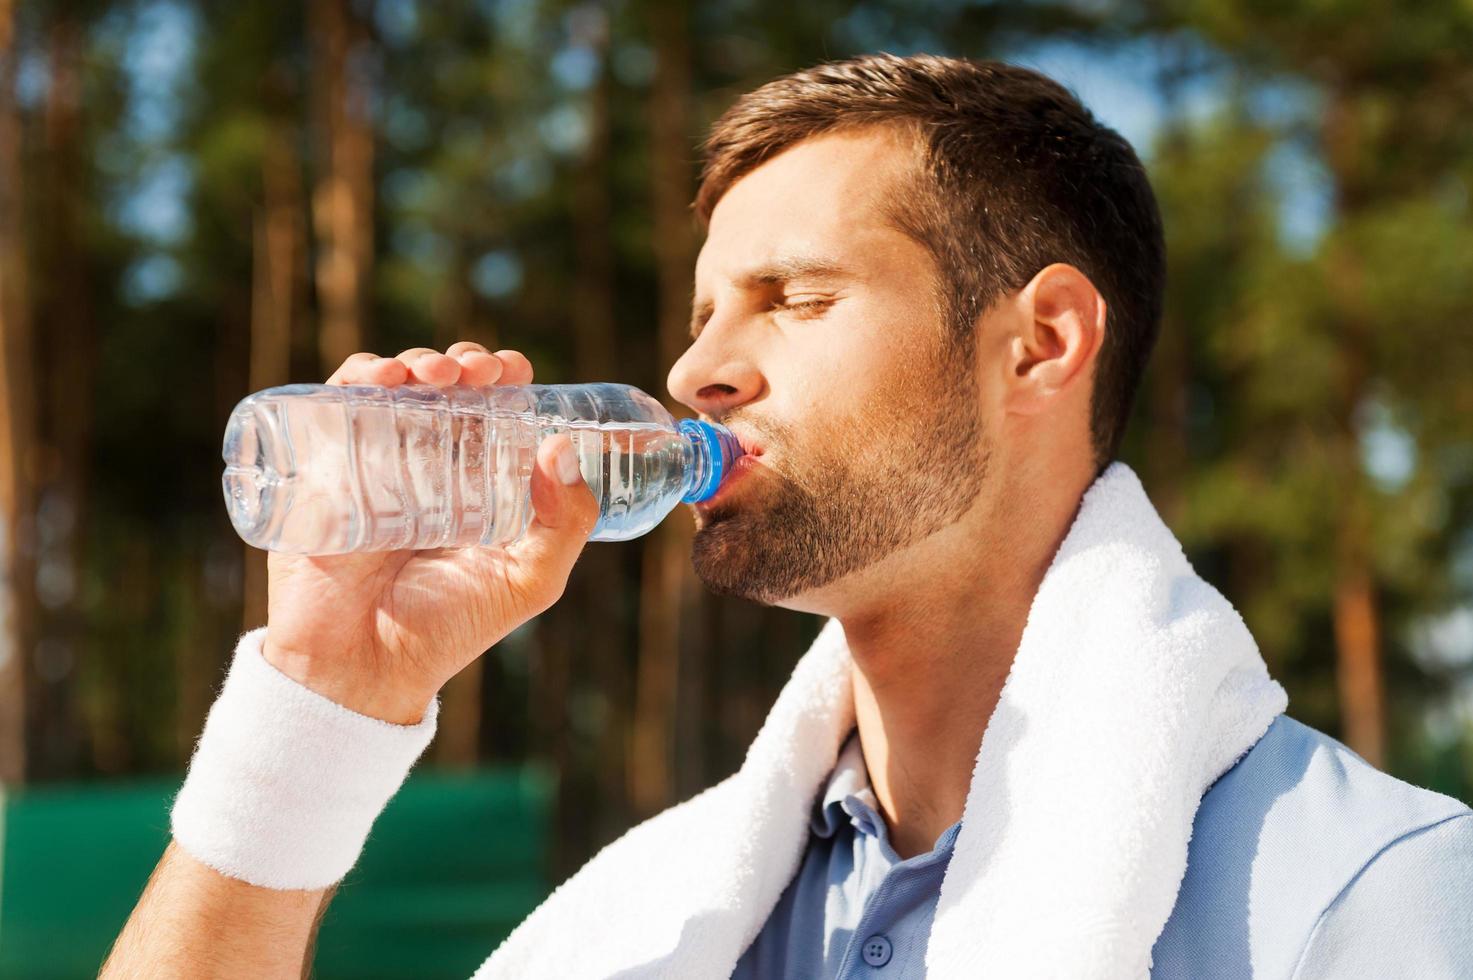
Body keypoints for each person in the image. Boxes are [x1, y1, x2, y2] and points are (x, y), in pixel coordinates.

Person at [104, 54, 1472, 979]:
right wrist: (324, 696)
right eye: (702, 314)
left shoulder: (1363, 900)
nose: (697, 371)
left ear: (1041, 344)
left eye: (795, 299)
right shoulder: (641, 924)